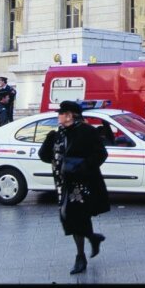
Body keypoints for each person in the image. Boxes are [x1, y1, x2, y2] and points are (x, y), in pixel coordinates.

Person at [37, 101, 110, 275]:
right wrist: (49, 139)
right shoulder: (58, 134)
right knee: (72, 217)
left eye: (61, 113)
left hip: (83, 184)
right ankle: (93, 238)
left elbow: (101, 153)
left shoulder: (87, 131)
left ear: (69, 115)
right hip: (63, 184)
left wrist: (83, 167)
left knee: (75, 216)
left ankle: (80, 256)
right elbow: (44, 156)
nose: (58, 116)